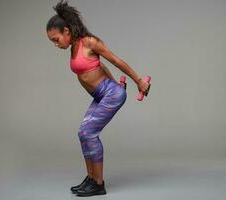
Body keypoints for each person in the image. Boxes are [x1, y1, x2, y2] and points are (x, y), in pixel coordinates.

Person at [46, 0, 150, 197]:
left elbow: (116, 60)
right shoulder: (74, 47)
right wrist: (112, 81)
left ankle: (99, 184)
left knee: (88, 132)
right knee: (83, 133)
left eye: (56, 39)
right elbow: (99, 66)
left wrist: (139, 81)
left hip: (111, 95)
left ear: (67, 31)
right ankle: (91, 178)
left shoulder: (89, 42)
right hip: (103, 94)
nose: (55, 44)